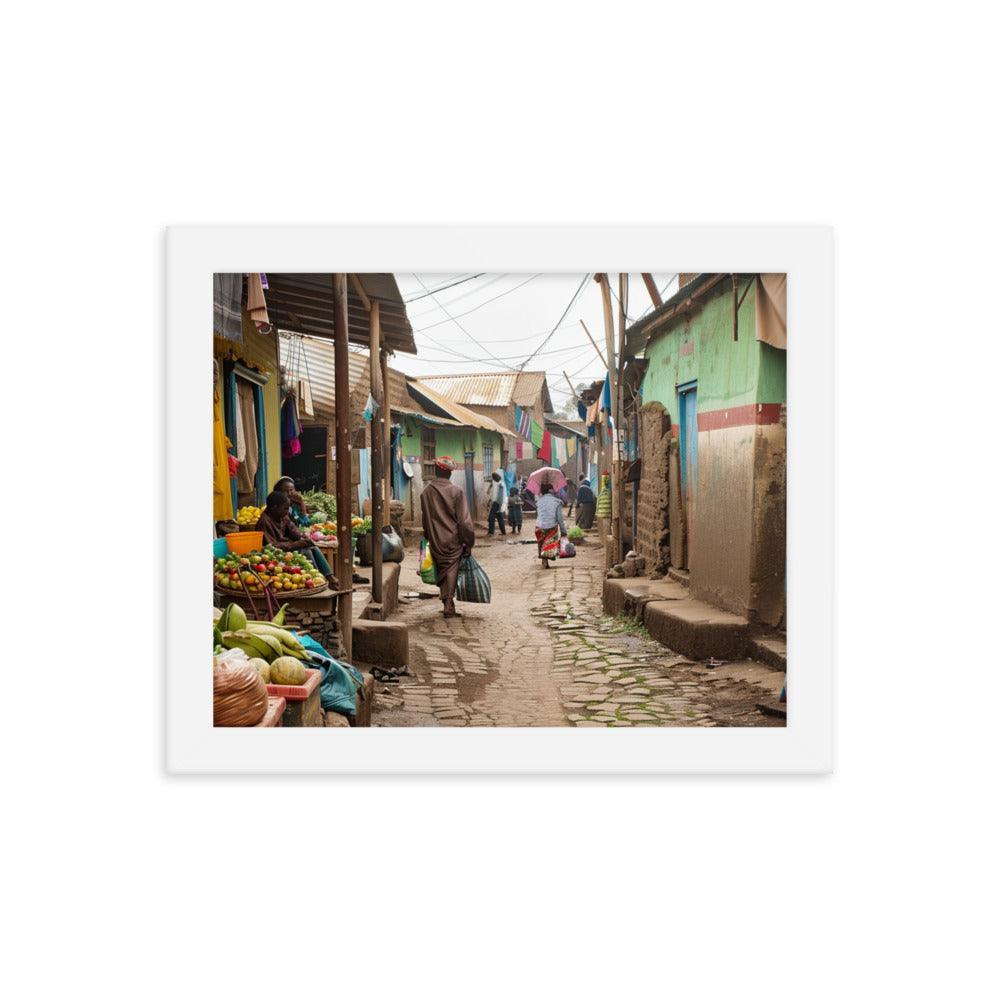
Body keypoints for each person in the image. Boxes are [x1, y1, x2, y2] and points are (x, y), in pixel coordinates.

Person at [420, 456, 476, 618]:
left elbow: (425, 519)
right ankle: (449, 602)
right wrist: (469, 542)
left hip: (434, 539)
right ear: (450, 474)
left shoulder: (426, 493)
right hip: (453, 540)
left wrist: (428, 536)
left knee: (443, 570)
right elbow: (465, 522)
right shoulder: (456, 492)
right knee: (451, 569)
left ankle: (446, 600)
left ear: (436, 472)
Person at [254, 490, 337, 590]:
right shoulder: (264, 522)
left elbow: (293, 530)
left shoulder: (282, 516)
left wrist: (302, 537)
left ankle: (329, 577)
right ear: (274, 508)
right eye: (285, 509)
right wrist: (297, 544)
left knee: (311, 547)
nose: (287, 511)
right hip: (275, 555)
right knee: (305, 551)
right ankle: (316, 579)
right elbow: (272, 547)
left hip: (287, 547)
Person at [534, 482, 566, 569]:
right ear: (551, 491)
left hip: (539, 527)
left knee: (541, 543)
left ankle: (544, 559)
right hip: (551, 527)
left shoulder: (538, 501)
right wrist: (563, 531)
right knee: (549, 544)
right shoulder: (557, 502)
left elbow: (539, 515)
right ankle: (546, 558)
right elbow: (559, 518)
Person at [486, 470, 507, 536]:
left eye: (494, 478)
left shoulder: (500, 484)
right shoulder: (499, 483)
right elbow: (492, 493)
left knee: (491, 517)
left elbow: (500, 496)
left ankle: (491, 532)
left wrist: (499, 506)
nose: (493, 479)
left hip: (497, 503)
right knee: (499, 517)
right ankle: (503, 532)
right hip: (498, 503)